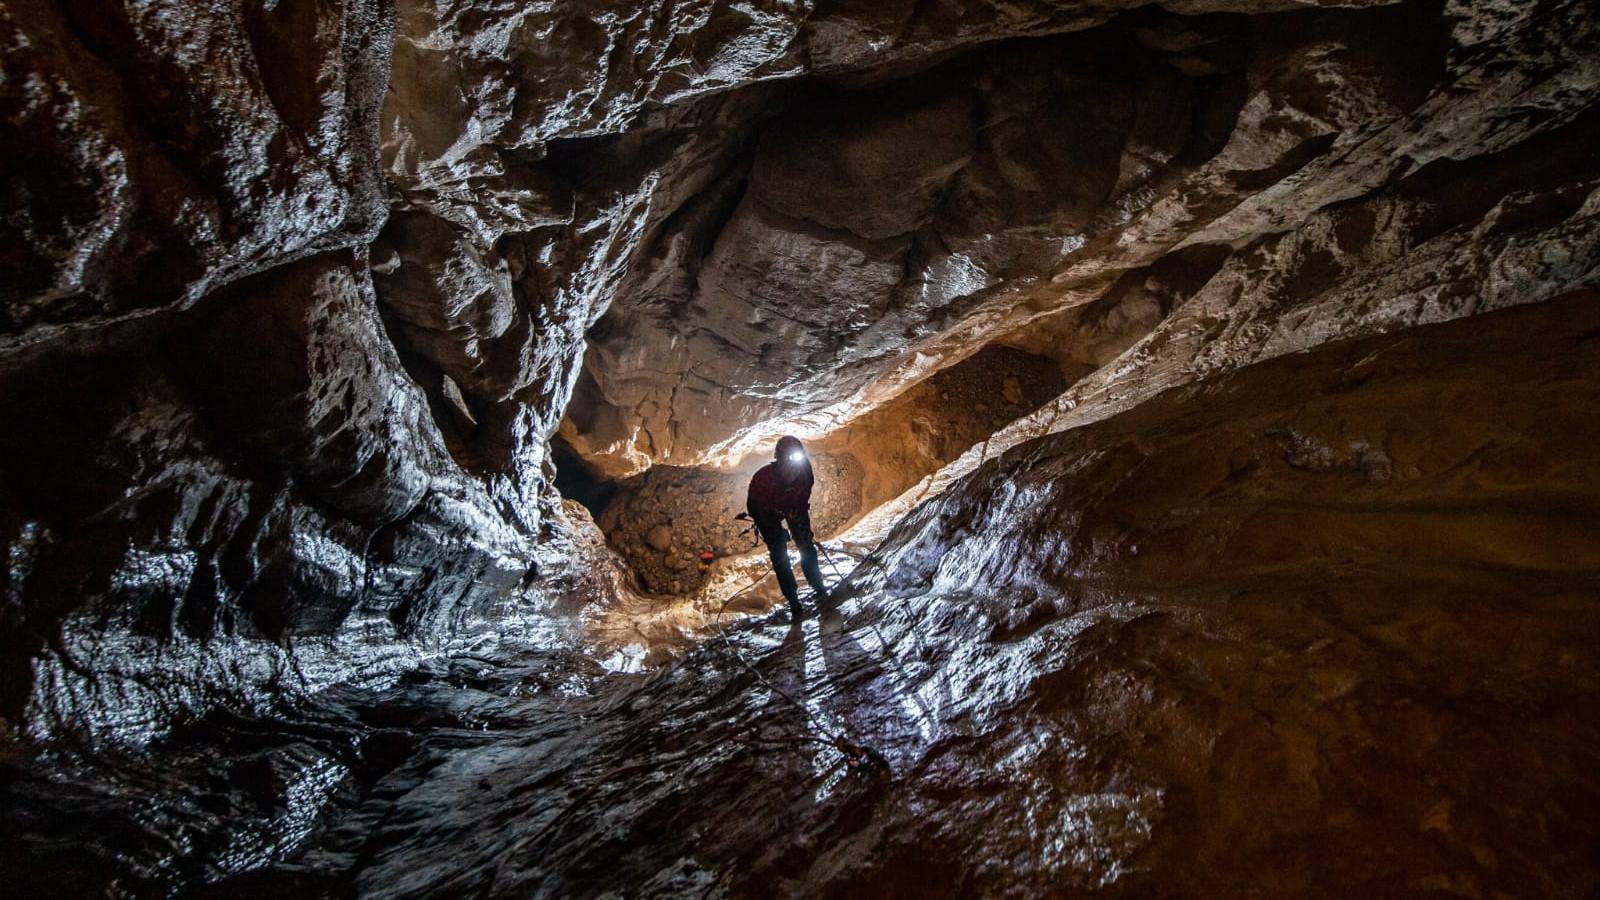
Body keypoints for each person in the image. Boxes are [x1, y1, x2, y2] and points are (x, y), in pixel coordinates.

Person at [746, 435, 829, 618]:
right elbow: (755, 508)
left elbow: (803, 495)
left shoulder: (805, 471)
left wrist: (799, 518)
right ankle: (793, 602)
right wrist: (774, 532)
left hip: (792, 507)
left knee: (805, 545)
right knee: (779, 555)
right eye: (786, 461)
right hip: (767, 513)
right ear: (778, 459)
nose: (791, 468)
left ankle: (819, 588)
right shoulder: (764, 479)